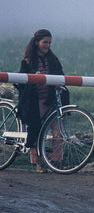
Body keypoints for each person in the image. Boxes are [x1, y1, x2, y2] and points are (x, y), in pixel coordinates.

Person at [17, 29, 64, 173]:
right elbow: (20, 80)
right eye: (45, 42)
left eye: (49, 42)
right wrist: (32, 76)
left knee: (59, 132)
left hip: (50, 101)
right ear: (37, 42)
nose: (47, 45)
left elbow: (61, 74)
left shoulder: (53, 59)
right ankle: (38, 163)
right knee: (36, 130)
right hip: (35, 101)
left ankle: (56, 161)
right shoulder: (28, 61)